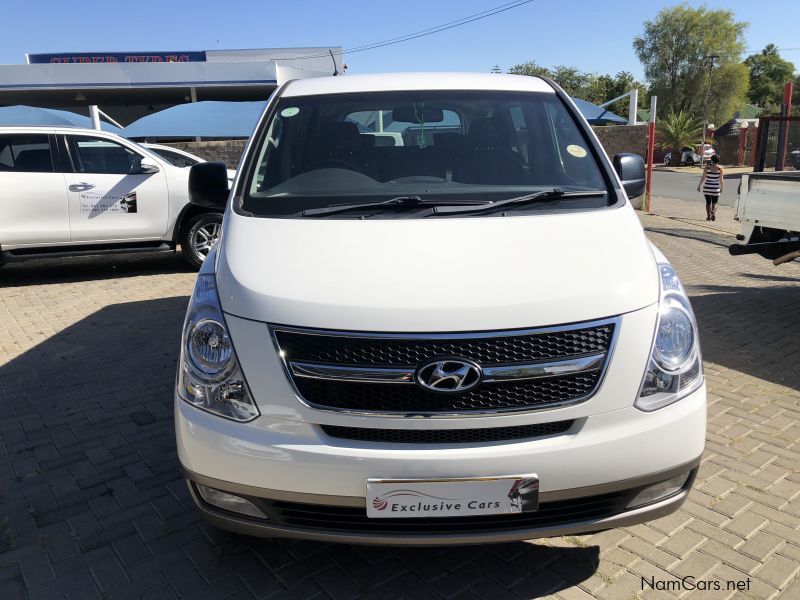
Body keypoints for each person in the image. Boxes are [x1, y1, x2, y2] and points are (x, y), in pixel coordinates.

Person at [697, 154, 723, 221]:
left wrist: (699, 186)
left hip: (707, 187)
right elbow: (721, 180)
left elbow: (703, 177)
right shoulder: (720, 169)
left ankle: (708, 216)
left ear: (712, 160)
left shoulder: (707, 167)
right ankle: (713, 211)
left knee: (708, 202)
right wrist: (721, 188)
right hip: (715, 188)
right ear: (718, 160)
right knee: (715, 202)